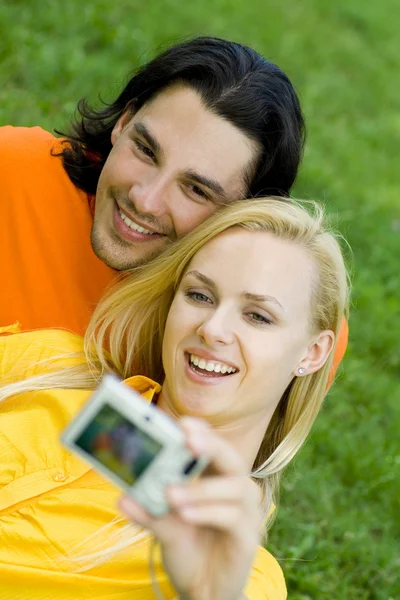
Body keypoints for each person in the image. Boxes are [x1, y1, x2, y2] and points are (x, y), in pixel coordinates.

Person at [0, 197, 349, 600]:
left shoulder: (237, 574)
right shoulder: (50, 363)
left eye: (258, 316)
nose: (212, 328)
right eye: (200, 295)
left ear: (313, 353)